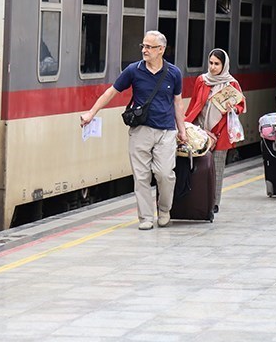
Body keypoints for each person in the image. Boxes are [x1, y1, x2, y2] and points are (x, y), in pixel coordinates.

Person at [80, 30, 186, 230]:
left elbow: (177, 103)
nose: (144, 50)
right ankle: (145, 218)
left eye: (149, 47)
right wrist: (91, 113)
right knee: (141, 176)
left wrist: (183, 130)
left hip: (166, 131)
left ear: (161, 50)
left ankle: (164, 210)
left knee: (164, 174)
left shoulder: (174, 73)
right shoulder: (133, 70)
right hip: (140, 131)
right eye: (143, 46)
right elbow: (111, 92)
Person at [184, 48, 246, 214]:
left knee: (217, 169)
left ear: (224, 65)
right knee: (198, 167)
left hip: (222, 132)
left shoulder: (231, 83)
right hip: (201, 130)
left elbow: (241, 105)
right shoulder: (202, 80)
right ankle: (199, 198)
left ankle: (214, 202)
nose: (212, 67)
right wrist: (186, 124)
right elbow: (195, 103)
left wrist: (234, 108)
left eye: (217, 64)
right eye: (211, 63)